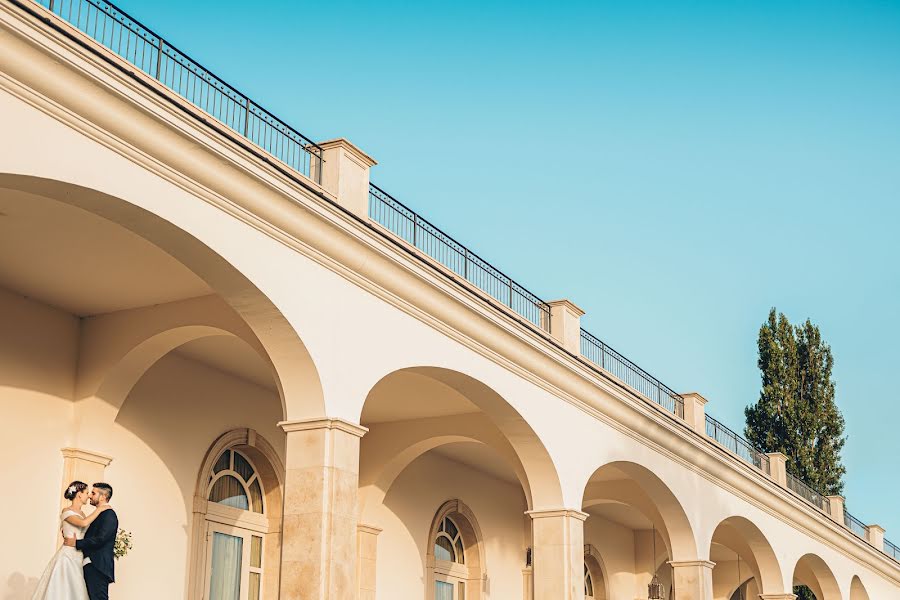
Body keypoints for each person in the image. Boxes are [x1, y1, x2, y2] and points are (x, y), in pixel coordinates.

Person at [30, 481, 111, 599]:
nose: (88, 496)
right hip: (68, 556)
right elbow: (83, 523)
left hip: (80, 556)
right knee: (64, 589)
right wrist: (100, 509)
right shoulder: (67, 511)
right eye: (87, 493)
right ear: (79, 495)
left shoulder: (83, 513)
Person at [63, 483, 118, 600]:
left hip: (98, 566)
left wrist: (76, 543)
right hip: (88, 564)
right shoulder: (98, 514)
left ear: (103, 497)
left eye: (93, 493)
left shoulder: (109, 514)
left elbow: (101, 539)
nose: (90, 496)